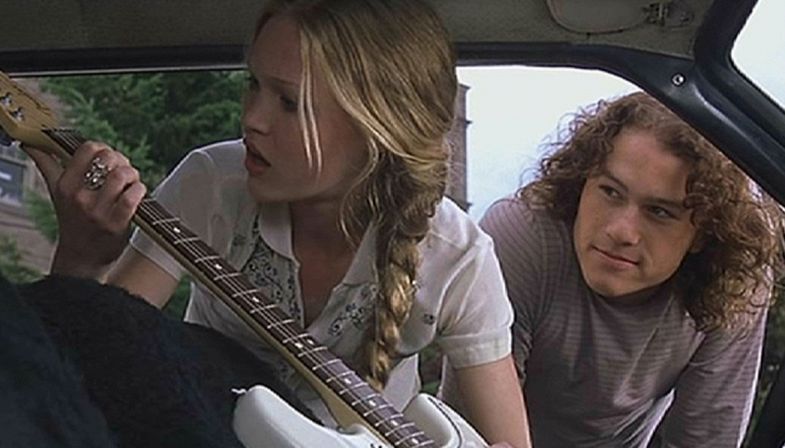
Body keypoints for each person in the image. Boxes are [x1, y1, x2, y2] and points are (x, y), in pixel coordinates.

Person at [27, 0, 530, 446]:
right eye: (253, 84)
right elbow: (93, 363)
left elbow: (509, 441)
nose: (252, 118)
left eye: (289, 102)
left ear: (377, 130)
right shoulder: (211, 183)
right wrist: (81, 258)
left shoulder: (459, 257)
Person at [476, 91, 784, 447]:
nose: (621, 231)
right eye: (610, 191)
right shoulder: (523, 236)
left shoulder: (734, 281)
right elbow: (475, 432)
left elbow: (704, 441)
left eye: (659, 212)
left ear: (704, 233)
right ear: (582, 181)